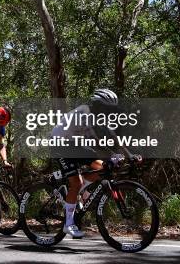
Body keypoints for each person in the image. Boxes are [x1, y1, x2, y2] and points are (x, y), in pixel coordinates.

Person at [51, 89, 140, 238]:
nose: (108, 111)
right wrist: (113, 156)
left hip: (75, 144)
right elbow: (97, 143)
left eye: (110, 109)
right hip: (60, 144)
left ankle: (81, 192)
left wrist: (129, 154)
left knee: (101, 168)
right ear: (97, 105)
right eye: (106, 108)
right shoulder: (84, 114)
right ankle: (68, 223)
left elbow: (112, 136)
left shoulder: (98, 114)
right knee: (76, 183)